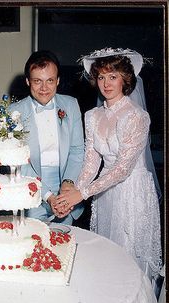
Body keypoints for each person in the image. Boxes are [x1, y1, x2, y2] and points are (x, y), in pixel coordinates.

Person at [55, 47, 162, 279]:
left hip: (132, 193)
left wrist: (81, 194)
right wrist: (73, 192)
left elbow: (123, 169)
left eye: (113, 76)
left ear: (126, 79)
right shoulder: (92, 116)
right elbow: (91, 162)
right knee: (107, 255)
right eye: (101, 77)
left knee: (129, 259)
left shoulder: (136, 116)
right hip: (105, 193)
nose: (106, 83)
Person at [8, 50, 84, 225]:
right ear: (28, 81)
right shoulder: (14, 112)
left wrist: (67, 184)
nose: (44, 88)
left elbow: (77, 150)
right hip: (31, 185)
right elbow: (18, 163)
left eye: (50, 80)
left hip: (66, 185)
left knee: (64, 243)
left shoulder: (71, 105)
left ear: (57, 80)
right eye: (37, 81)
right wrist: (49, 196)